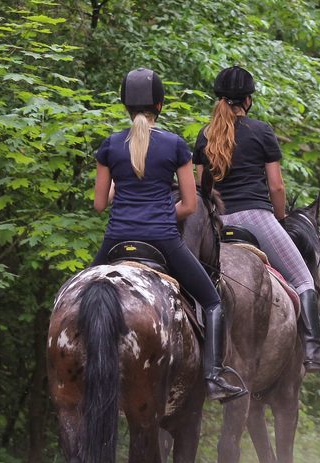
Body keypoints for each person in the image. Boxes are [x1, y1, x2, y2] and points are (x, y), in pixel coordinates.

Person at [92, 68, 246, 400]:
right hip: (162, 240)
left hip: (115, 240)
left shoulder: (109, 146)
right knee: (213, 301)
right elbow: (190, 206)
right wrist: (161, 214)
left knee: (78, 295)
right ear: (160, 106)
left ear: (125, 107)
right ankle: (214, 377)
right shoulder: (175, 145)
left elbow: (100, 204)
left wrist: (124, 190)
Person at [193, 66, 320, 375]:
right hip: (255, 217)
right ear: (247, 100)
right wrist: (280, 217)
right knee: (303, 279)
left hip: (217, 223)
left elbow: (202, 190)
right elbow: (276, 186)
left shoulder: (205, 135)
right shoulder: (261, 131)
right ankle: (313, 351)